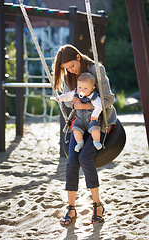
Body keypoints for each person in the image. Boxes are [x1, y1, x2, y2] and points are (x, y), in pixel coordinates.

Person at [53, 44, 117, 225]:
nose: (71, 71)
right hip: (80, 123)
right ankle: (71, 209)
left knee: (85, 158)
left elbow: (109, 99)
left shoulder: (97, 70)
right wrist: (73, 103)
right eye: (66, 69)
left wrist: (85, 105)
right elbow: (68, 103)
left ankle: (97, 205)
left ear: (79, 57)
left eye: (71, 66)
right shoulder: (69, 77)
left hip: (99, 122)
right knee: (72, 160)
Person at [56, 72, 103, 152]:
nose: (82, 90)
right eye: (80, 87)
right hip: (80, 119)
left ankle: (96, 141)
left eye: (85, 88)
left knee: (94, 128)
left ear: (92, 88)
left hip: (90, 118)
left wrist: (95, 115)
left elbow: (99, 106)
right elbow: (67, 96)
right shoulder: (75, 93)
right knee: (75, 129)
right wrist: (60, 98)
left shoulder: (94, 97)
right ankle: (79, 143)